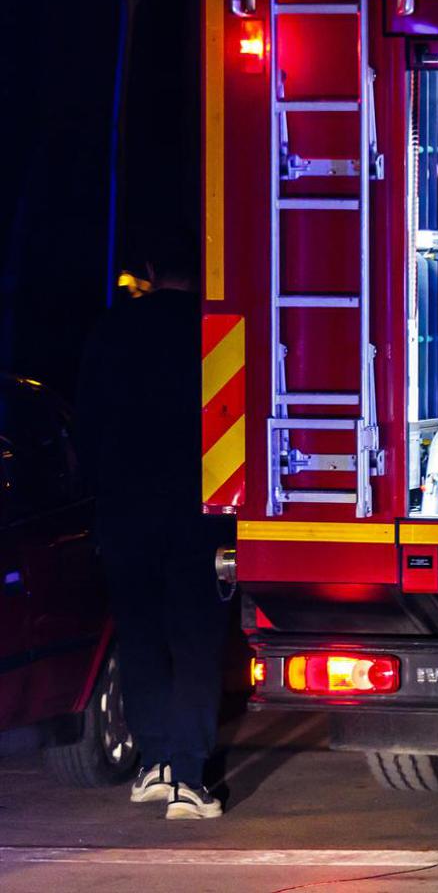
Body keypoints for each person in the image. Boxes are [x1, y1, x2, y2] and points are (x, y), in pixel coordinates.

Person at [76, 242, 227, 819]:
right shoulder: (216, 331)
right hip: (198, 511)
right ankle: (189, 779)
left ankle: (154, 765)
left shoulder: (111, 332)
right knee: (194, 642)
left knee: (140, 638)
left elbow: (87, 428)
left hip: (125, 511)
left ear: (150, 270)